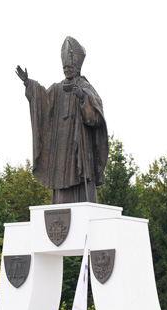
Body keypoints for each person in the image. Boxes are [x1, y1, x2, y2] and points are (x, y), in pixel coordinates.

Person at [16, 36, 108, 204]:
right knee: (60, 183)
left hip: (78, 146)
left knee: (78, 178)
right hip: (60, 149)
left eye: (70, 66)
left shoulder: (86, 87)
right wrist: (29, 84)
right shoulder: (57, 89)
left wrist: (83, 99)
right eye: (64, 66)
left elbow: (95, 118)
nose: (67, 69)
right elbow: (43, 102)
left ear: (77, 67)